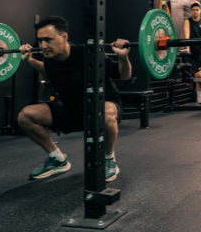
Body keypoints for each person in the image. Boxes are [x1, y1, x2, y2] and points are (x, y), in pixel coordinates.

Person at [17, 16, 130, 181]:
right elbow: (50, 73)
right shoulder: (50, 59)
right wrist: (29, 61)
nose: (43, 46)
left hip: (100, 109)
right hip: (72, 110)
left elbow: (124, 75)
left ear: (64, 37)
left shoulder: (88, 53)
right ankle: (57, 160)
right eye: (40, 41)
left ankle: (108, 160)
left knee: (107, 111)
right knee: (26, 116)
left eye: (48, 40)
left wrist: (123, 57)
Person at [183, 1, 201, 105]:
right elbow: (186, 36)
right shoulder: (188, 21)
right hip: (194, 54)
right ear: (191, 11)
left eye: (197, 10)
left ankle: (199, 99)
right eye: (193, 10)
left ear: (200, 11)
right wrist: (187, 48)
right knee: (197, 76)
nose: (195, 11)